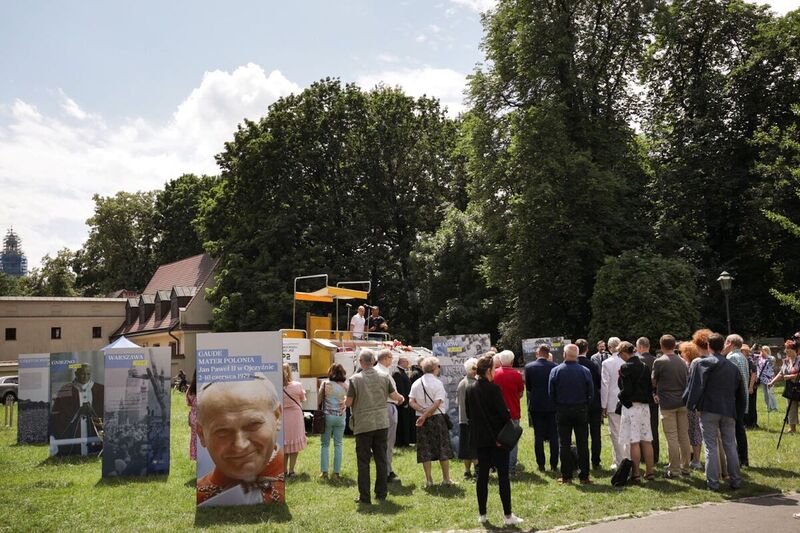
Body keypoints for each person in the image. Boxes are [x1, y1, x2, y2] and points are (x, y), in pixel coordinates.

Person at [196, 376, 284, 505]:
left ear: (277, 417)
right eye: (223, 432)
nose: (240, 445)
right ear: (202, 435)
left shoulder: (297, 489)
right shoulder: (199, 496)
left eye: (253, 425)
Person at [465, 354, 524, 526]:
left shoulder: (470, 388)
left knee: (482, 477)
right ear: (489, 370)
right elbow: (504, 415)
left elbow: (470, 415)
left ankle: (482, 514)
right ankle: (507, 516)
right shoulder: (493, 389)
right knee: (503, 477)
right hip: (498, 440)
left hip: (481, 440)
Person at [684, 332, 745, 491]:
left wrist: (690, 405)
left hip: (709, 409)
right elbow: (741, 392)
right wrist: (739, 411)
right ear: (722, 345)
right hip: (728, 410)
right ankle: (736, 480)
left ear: (709, 346)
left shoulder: (702, 364)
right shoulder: (732, 367)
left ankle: (713, 483)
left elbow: (694, 387)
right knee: (730, 445)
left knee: (711, 446)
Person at [345, 349, 404, 504]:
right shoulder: (385, 376)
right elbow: (394, 397)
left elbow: (348, 402)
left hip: (363, 424)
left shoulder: (354, 379)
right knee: (381, 458)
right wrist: (401, 398)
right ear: (373, 361)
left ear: (360, 362)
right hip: (381, 422)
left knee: (363, 461)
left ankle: (365, 497)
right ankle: (381, 493)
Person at [549, 343, 594, 484]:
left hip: (563, 410)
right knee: (582, 444)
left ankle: (567, 476)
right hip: (581, 409)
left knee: (564, 444)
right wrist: (585, 405)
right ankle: (584, 476)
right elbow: (591, 393)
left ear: (564, 354)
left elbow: (551, 393)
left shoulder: (556, 371)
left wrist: (558, 405)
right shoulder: (585, 371)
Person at [409, 356, 455, 486]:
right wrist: (426, 414)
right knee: (443, 448)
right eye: (438, 366)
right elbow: (437, 403)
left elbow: (411, 401)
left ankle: (429, 480)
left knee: (425, 449)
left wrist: (422, 412)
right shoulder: (437, 383)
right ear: (435, 368)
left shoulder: (416, 383)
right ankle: (446, 479)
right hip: (436, 418)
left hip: (421, 418)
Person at [652, 335, 691, 478]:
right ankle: (685, 467)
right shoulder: (683, 362)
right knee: (684, 436)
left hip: (667, 403)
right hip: (682, 402)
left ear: (662, 345)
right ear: (674, 345)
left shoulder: (660, 362)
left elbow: (653, 381)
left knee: (672, 437)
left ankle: (674, 469)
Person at [617, 341, 655, 483]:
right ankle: (650, 472)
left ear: (624, 352)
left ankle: (636, 474)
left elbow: (626, 390)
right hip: (644, 406)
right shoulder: (645, 366)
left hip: (632, 406)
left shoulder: (626, 367)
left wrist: (620, 396)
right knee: (647, 440)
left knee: (634, 441)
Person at [50, 362, 104, 456]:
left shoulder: (100, 389)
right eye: (82, 374)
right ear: (76, 374)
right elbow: (58, 415)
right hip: (74, 435)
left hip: (92, 430)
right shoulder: (65, 389)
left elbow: (104, 411)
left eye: (88, 374)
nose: (85, 377)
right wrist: (77, 412)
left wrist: (92, 411)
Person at [525, 344, 558, 472]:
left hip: (536, 405)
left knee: (538, 436)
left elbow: (528, 387)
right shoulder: (554, 367)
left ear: (538, 353)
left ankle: (541, 464)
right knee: (554, 435)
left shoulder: (529, 367)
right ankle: (554, 464)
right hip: (552, 405)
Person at [493, 349, 524, 474]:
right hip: (514, 411)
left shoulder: (494, 374)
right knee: (513, 441)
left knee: (497, 440)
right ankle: (511, 468)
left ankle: (498, 465)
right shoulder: (517, 375)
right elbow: (521, 393)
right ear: (512, 361)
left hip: (497, 413)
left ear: (500, 360)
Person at [724, 334, 750, 467]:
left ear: (730, 343)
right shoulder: (743, 357)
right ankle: (743, 459)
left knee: (735, 430)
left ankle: (740, 459)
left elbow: (731, 380)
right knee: (740, 428)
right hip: (743, 397)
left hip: (735, 398)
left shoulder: (731, 357)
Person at [600, 336, 626, 469]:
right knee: (626, 432)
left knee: (615, 433)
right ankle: (623, 459)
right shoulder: (627, 360)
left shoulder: (607, 363)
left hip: (612, 401)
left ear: (610, 348)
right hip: (627, 401)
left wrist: (603, 405)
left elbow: (605, 385)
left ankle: (621, 462)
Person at [576, 338, 603, 469]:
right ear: (587, 349)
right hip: (594, 403)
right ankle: (596, 460)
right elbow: (598, 383)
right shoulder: (592, 365)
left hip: (579, 403)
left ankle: (583, 460)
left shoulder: (573, 364)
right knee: (595, 433)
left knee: (582, 435)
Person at [319, 363, 348, 479]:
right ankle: (336, 473)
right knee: (338, 444)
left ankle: (324, 472)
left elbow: (319, 399)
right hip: (340, 416)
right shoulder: (346, 386)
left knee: (325, 444)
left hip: (327, 416)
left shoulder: (325, 384)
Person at [375, 349, 401, 482]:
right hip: (387, 406)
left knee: (380, 442)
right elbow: (392, 394)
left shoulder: (373, 371)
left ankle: (384, 470)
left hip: (376, 409)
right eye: (391, 358)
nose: (392, 361)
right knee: (388, 442)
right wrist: (401, 399)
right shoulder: (384, 373)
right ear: (385, 358)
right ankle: (387, 471)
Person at [680, 342, 704, 470]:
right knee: (692, 430)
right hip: (696, 402)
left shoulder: (693, 364)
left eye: (683, 352)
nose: (681, 354)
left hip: (692, 402)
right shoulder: (691, 363)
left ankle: (696, 460)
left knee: (694, 430)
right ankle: (693, 457)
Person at [636, 337, 660, 465]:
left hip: (640, 399)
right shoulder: (656, 360)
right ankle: (654, 455)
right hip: (653, 399)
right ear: (649, 346)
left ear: (640, 347)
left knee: (641, 429)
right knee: (653, 428)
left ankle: (642, 456)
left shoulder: (637, 362)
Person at [282, 363, 307, 477]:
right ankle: (291, 471)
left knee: (284, 445)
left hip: (282, 417)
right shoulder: (297, 385)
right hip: (295, 416)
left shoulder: (276, 386)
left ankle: (283, 470)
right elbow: (303, 399)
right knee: (294, 444)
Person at [456, 357, 479, 480]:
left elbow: (457, 402)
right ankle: (477, 471)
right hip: (472, 420)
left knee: (465, 447)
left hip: (463, 419)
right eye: (475, 368)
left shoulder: (461, 383)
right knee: (474, 447)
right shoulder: (474, 384)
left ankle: (467, 471)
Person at [769, 348, 799, 433]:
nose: (788, 353)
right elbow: (781, 373)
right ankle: (792, 429)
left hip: (799, 385)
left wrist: (790, 376)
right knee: (790, 408)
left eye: (790, 351)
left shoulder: (799, 360)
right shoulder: (785, 361)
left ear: (795, 350)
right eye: (787, 351)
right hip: (790, 387)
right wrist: (772, 382)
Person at [393, 356, 413, 447]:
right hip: (402, 403)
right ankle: (401, 442)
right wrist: (404, 402)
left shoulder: (401, 372)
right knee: (401, 423)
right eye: (406, 361)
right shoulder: (397, 373)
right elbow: (400, 389)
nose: (408, 363)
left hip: (405, 402)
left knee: (405, 422)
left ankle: (405, 441)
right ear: (402, 362)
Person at [756, 346, 778, 414]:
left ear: (767, 351)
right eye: (762, 350)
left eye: (764, 350)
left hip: (769, 378)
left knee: (770, 393)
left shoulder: (771, 358)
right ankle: (768, 407)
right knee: (765, 394)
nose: (762, 352)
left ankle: (774, 407)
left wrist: (762, 350)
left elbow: (769, 358)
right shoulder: (759, 358)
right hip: (762, 379)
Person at [742, 344, 759, 428]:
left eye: (742, 351)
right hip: (748, 386)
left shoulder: (749, 361)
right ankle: (750, 423)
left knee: (750, 405)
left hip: (750, 387)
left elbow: (754, 374)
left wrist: (750, 387)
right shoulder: (747, 360)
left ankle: (751, 423)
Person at [186, 370, 198, 461]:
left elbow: (189, 403)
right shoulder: (204, 387)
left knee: (194, 438)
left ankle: (195, 456)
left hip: (193, 416)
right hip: (202, 416)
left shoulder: (191, 389)